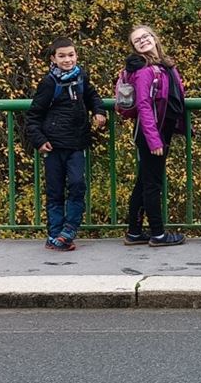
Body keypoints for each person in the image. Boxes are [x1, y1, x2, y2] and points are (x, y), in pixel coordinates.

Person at [25, 36, 107, 251]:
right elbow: (34, 115)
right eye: (62, 56)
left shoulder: (81, 77)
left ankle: (69, 229)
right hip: (53, 145)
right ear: (53, 59)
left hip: (76, 143)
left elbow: (93, 96)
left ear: (76, 55)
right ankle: (55, 234)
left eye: (71, 55)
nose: (67, 60)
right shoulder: (49, 83)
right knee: (55, 191)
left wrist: (98, 111)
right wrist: (39, 140)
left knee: (77, 185)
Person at [122, 25, 187, 247]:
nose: (143, 41)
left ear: (154, 37)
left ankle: (134, 232)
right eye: (137, 40)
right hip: (151, 132)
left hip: (160, 130)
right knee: (152, 184)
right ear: (134, 47)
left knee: (143, 182)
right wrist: (154, 140)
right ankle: (158, 234)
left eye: (146, 36)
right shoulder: (145, 70)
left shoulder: (163, 65)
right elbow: (144, 105)